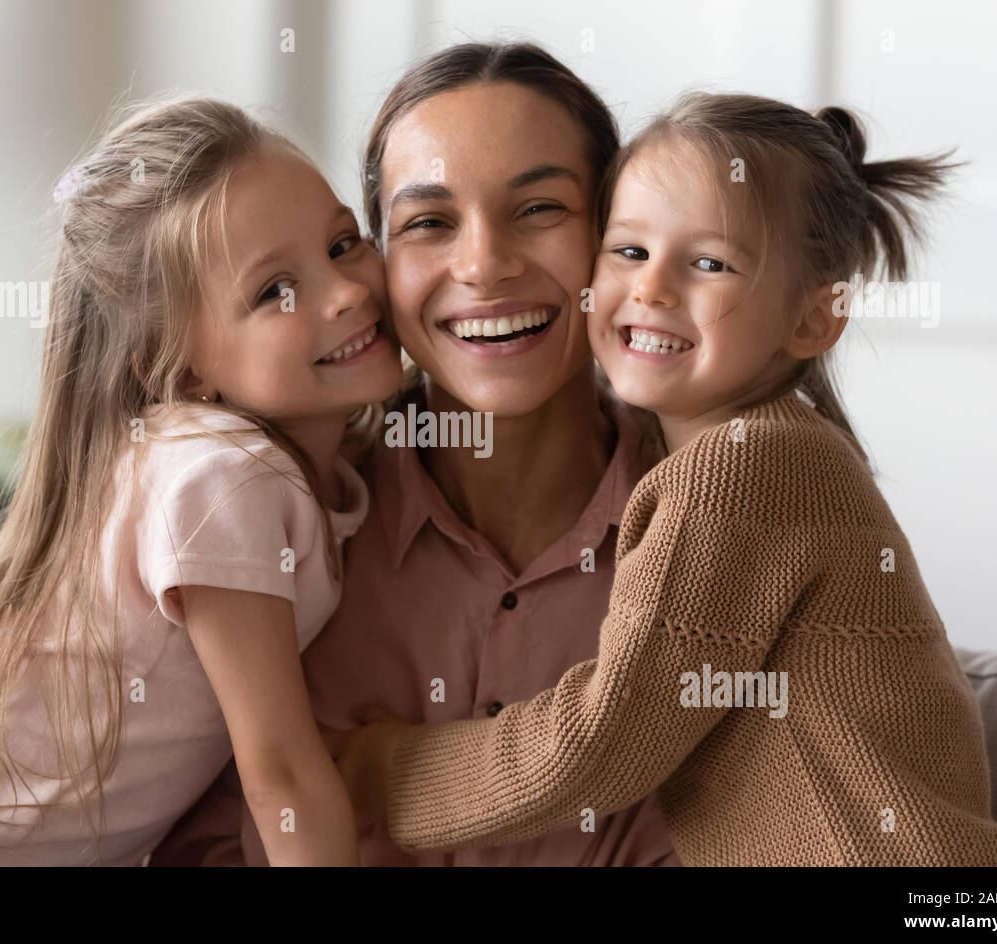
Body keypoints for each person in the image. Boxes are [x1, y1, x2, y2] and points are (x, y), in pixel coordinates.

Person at [332, 92, 997, 866]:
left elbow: (607, 737)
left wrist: (385, 770)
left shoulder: (744, 468)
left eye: (708, 263)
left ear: (812, 320)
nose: (653, 290)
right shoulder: (763, 457)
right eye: (631, 252)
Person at [0, 95, 402, 866]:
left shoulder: (303, 469)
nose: (345, 291)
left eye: (345, 243)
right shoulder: (223, 478)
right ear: (182, 371)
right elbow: (281, 774)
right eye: (274, 291)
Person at [151, 43, 681, 866]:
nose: (485, 265)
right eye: (429, 223)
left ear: (615, 236)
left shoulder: (716, 532)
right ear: (380, 264)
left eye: (539, 208)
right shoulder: (277, 530)